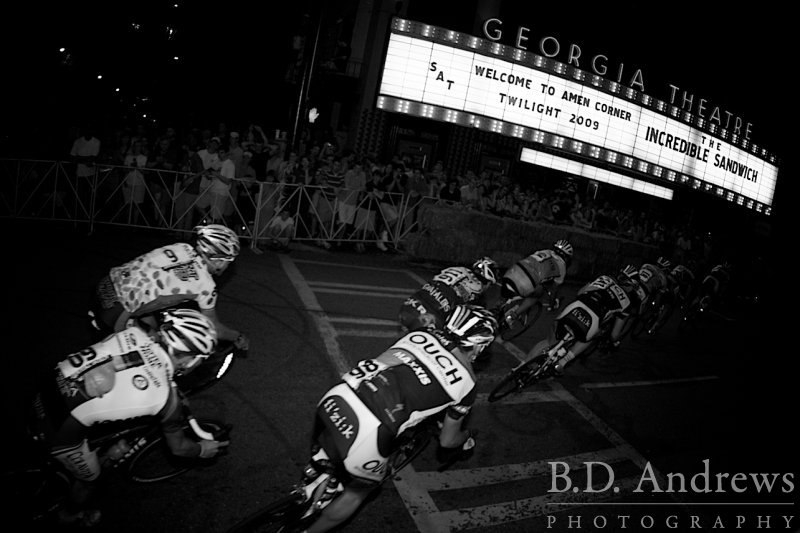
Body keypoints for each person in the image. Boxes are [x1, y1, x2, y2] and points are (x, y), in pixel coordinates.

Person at [303, 304, 498, 533]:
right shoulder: (468, 382)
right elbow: (447, 441)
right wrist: (465, 437)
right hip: (369, 429)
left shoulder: (420, 334)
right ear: (479, 346)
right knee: (359, 491)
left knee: (328, 453)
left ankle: (311, 478)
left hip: (338, 394)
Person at [34, 309, 229, 526]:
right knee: (90, 481)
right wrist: (203, 450)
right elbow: (180, 448)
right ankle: (68, 515)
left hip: (45, 392)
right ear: (191, 360)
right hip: (56, 429)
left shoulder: (134, 333)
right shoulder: (166, 400)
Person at [89, 224, 250, 351]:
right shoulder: (206, 285)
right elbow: (214, 328)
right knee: (154, 355)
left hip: (107, 283)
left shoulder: (181, 247)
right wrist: (236, 336)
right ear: (220, 261)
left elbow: (150, 287)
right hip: (118, 310)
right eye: (229, 262)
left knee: (153, 329)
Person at [529, 271, 635, 374]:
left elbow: (580, 292)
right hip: (593, 319)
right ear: (631, 286)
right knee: (592, 337)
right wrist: (612, 340)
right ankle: (563, 362)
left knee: (548, 341)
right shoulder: (627, 303)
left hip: (576, 306)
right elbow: (614, 335)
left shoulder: (604, 278)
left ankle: (519, 367)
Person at [399, 256, 499, 333]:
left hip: (409, 304)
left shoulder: (457, 269)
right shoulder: (477, 288)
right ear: (489, 280)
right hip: (428, 319)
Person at [500, 239, 573, 327]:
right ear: (566, 257)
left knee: (506, 291)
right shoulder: (562, 266)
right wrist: (552, 302)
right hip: (526, 282)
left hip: (513, 270)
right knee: (538, 294)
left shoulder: (545, 251)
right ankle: (513, 316)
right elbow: (554, 289)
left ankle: (498, 306)